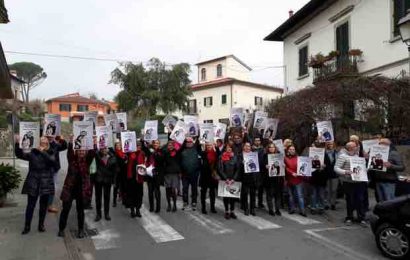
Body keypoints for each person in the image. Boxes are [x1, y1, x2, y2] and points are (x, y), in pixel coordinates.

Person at [15, 136, 57, 235]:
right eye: (41, 142)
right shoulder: (32, 152)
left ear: (47, 144)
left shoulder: (51, 151)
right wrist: (17, 144)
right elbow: (20, 154)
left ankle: (41, 225)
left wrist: (43, 151)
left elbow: (52, 161)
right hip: (33, 180)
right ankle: (27, 226)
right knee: (30, 205)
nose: (43, 144)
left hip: (46, 181)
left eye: (45, 143)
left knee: (43, 206)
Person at [58, 138, 95, 238]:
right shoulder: (72, 159)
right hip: (69, 189)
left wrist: (93, 143)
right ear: (77, 151)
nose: (82, 152)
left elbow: (92, 153)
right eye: (80, 150)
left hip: (81, 191)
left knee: (80, 211)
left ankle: (81, 230)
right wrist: (70, 142)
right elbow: (69, 152)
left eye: (83, 150)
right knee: (65, 210)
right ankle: (61, 229)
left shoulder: (87, 161)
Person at [334, 141, 368, 226]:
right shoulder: (343, 156)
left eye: (356, 146)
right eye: (355, 146)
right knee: (350, 200)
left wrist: (367, 168)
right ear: (350, 148)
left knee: (360, 200)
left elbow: (363, 169)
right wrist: (345, 172)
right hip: (348, 182)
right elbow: (336, 168)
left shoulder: (359, 157)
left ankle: (361, 218)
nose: (357, 147)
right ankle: (349, 217)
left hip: (360, 182)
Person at [94, 147, 118, 221]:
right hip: (98, 180)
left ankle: (106, 214)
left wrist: (114, 181)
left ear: (107, 149)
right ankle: (98, 214)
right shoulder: (97, 155)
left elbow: (115, 171)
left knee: (107, 197)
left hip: (107, 180)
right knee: (98, 198)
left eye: (105, 148)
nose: (103, 150)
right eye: (102, 149)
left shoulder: (112, 157)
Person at [46, 135, 68, 214]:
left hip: (54, 169)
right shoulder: (42, 143)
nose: (50, 137)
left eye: (52, 135)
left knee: (53, 187)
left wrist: (62, 139)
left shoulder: (55, 144)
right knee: (44, 188)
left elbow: (65, 146)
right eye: (48, 135)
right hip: (44, 170)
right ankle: (45, 204)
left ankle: (49, 205)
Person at [123, 141, 146, 218]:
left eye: (140, 145)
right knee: (131, 194)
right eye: (137, 145)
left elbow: (144, 163)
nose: (138, 146)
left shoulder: (142, 153)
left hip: (139, 177)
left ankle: (138, 210)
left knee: (139, 195)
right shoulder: (130, 153)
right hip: (131, 177)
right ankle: (132, 210)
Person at [180, 137, 202, 210]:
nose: (189, 143)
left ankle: (194, 202)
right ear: (185, 143)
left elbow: (199, 142)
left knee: (194, 189)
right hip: (184, 174)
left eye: (190, 142)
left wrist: (199, 132)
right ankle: (185, 202)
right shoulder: (182, 149)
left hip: (194, 173)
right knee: (185, 189)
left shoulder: (197, 149)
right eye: (187, 142)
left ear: (193, 143)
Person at [284, 145, 307, 217]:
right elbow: (285, 168)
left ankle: (302, 210)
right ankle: (292, 209)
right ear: (288, 150)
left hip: (298, 180)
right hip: (289, 179)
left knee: (300, 196)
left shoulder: (299, 158)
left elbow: (303, 167)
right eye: (290, 149)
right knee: (290, 196)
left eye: (293, 149)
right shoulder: (285, 158)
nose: (292, 150)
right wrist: (291, 173)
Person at [142, 139, 164, 213]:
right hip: (149, 174)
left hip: (156, 174)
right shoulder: (149, 150)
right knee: (150, 191)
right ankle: (151, 206)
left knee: (157, 191)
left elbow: (160, 160)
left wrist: (155, 153)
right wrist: (143, 141)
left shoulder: (161, 151)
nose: (155, 144)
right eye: (154, 143)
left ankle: (158, 207)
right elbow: (144, 148)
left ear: (159, 144)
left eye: (157, 143)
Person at [218, 144, 239, 219]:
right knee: (226, 197)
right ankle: (226, 211)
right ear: (225, 149)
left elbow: (237, 169)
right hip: (225, 180)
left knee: (233, 196)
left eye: (230, 148)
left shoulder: (235, 157)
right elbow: (220, 169)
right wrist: (225, 178)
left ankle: (232, 211)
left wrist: (234, 179)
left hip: (233, 180)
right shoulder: (221, 157)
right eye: (227, 148)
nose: (229, 149)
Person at [263, 143, 283, 216]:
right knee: (269, 195)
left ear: (275, 148)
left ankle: (277, 209)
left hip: (277, 179)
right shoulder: (265, 156)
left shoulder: (279, 156)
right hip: (269, 179)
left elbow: (281, 166)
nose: (271, 148)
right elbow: (261, 166)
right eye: (270, 147)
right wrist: (265, 167)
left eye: (273, 147)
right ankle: (271, 209)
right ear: (268, 148)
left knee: (277, 195)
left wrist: (283, 165)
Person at [239, 142, 258, 216]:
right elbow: (237, 166)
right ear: (243, 147)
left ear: (250, 147)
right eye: (246, 146)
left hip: (252, 177)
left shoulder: (254, 155)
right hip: (244, 177)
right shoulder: (240, 155)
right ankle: (246, 208)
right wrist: (241, 163)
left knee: (253, 194)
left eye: (249, 146)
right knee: (245, 193)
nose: (247, 147)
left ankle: (252, 208)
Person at [163, 141, 182, 212]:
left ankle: (174, 205)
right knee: (168, 190)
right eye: (169, 145)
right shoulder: (165, 153)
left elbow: (180, 162)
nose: (170, 146)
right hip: (167, 174)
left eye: (171, 145)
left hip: (175, 174)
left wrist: (180, 172)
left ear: (174, 146)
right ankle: (169, 205)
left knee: (173, 190)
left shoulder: (178, 153)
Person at [200, 142, 218, 214]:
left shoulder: (215, 154)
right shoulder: (203, 153)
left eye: (210, 145)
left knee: (212, 192)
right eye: (207, 145)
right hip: (204, 175)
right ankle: (203, 208)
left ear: (212, 146)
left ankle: (212, 207)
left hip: (212, 175)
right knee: (203, 192)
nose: (208, 146)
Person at [324, 141, 338, 210]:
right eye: (328, 144)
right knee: (327, 190)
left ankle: (333, 203)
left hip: (335, 174)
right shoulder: (324, 153)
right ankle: (327, 203)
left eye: (331, 144)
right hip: (326, 174)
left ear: (334, 145)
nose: (330, 145)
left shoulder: (336, 153)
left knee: (334, 190)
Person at [252, 137, 265, 209]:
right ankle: (253, 203)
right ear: (254, 141)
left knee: (261, 188)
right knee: (253, 188)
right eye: (256, 140)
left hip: (261, 171)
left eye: (258, 140)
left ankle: (260, 202)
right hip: (253, 171)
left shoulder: (263, 149)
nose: (257, 141)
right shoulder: (251, 149)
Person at [113, 141, 126, 207]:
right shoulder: (114, 153)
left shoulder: (124, 153)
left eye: (119, 145)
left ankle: (123, 199)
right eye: (117, 145)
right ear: (115, 147)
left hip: (123, 172)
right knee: (116, 187)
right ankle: (114, 201)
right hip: (116, 173)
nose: (118, 146)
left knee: (123, 186)